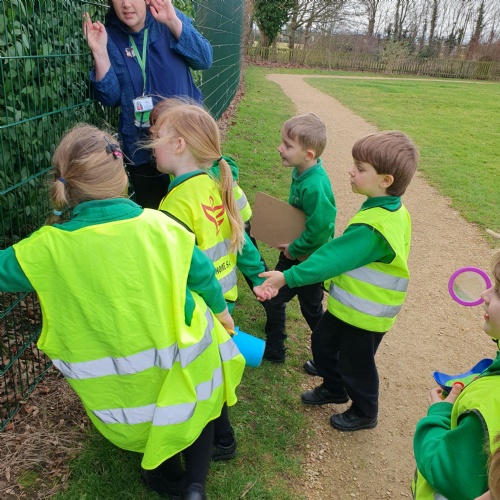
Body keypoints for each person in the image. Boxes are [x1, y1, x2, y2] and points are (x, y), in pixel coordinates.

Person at [0, 124, 245, 500]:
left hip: (122, 379)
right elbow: (203, 275)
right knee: (198, 407)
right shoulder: (162, 227)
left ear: (65, 184)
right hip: (182, 353)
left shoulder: (45, 249)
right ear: (123, 176)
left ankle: (166, 478)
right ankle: (195, 487)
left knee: (152, 421)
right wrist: (222, 314)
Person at [260, 130, 419, 432]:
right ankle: (334, 387)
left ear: (385, 180)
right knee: (322, 341)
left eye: (360, 168)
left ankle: (365, 411)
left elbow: (332, 258)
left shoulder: (374, 228)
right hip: (349, 307)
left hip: (366, 314)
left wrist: (288, 276)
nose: (351, 171)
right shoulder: (386, 206)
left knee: (356, 365)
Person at [149, 98, 276, 463]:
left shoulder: (175, 202)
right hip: (226, 295)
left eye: (157, 137)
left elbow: (176, 268)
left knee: (205, 371)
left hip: (201, 305)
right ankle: (222, 437)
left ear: (179, 145)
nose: (152, 145)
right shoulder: (216, 183)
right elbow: (241, 238)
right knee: (216, 365)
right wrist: (257, 277)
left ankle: (220, 439)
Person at [83, 0, 212, 209]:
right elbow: (111, 97)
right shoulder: (110, 36)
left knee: (196, 212)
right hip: (142, 151)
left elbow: (204, 59)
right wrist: (100, 53)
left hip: (187, 144)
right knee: (156, 218)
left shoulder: (168, 18)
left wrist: (173, 21)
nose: (126, 4)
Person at [412, 251, 500, 500]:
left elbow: (444, 470)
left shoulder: (487, 403)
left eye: (498, 292)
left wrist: (438, 415)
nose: (484, 295)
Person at [261, 112, 336, 365]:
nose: (279, 148)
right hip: (294, 253)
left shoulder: (315, 185)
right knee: (273, 296)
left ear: (308, 154)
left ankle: (330, 358)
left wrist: (296, 247)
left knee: (312, 311)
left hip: (309, 259)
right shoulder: (301, 171)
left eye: (287, 145)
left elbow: (321, 228)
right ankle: (275, 349)